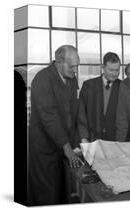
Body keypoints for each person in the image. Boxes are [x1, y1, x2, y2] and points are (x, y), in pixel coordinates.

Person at [28, 45, 81, 206]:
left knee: (63, 191)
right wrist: (68, 149)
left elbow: (73, 111)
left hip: (64, 145)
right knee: (47, 192)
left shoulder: (71, 79)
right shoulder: (42, 79)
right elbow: (49, 118)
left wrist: (77, 143)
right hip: (45, 147)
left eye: (77, 66)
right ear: (59, 62)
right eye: (72, 66)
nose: (75, 71)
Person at [78, 52, 121, 142]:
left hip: (115, 139)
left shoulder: (123, 86)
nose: (114, 74)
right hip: (92, 138)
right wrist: (83, 137)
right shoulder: (88, 85)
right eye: (111, 70)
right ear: (103, 68)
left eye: (117, 70)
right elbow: (81, 113)